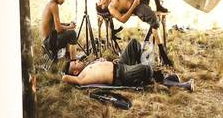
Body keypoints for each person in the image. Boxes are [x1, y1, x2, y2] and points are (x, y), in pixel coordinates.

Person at [62, 38, 192, 90]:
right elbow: (70, 79)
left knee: (134, 43)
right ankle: (165, 81)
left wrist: (101, 62)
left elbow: (102, 67)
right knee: (146, 68)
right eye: (76, 63)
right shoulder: (81, 77)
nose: (78, 60)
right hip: (121, 75)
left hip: (121, 65)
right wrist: (64, 75)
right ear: (75, 72)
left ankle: (151, 75)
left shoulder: (87, 67)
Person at [39, 0, 78, 64]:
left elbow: (55, 24)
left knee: (67, 31)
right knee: (72, 33)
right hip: (49, 42)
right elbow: (58, 29)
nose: (63, 0)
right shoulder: (54, 5)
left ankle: (68, 58)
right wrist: (70, 27)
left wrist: (67, 25)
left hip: (47, 40)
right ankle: (73, 62)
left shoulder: (51, 4)